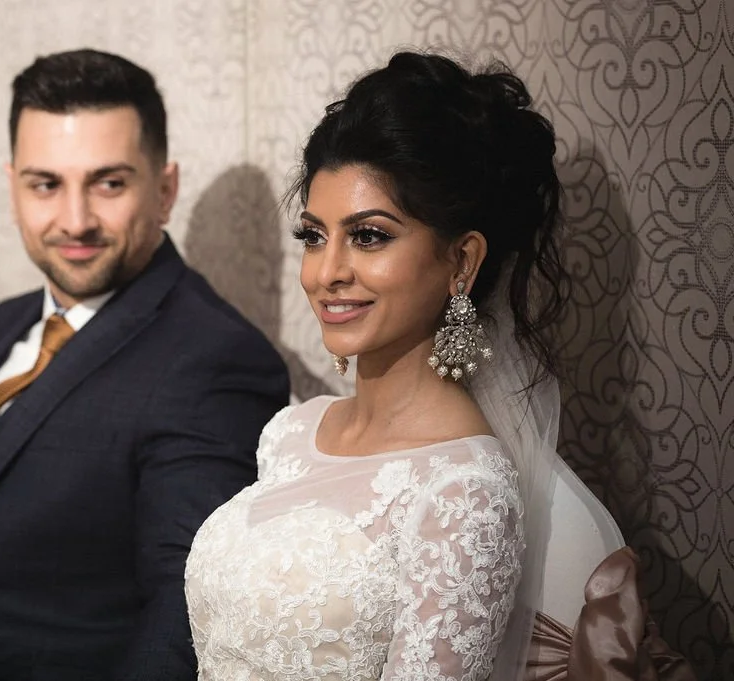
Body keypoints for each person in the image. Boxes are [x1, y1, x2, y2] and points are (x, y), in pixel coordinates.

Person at [184, 51, 697, 681]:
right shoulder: (290, 433)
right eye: (314, 236)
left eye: (369, 236)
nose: (326, 273)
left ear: (461, 262)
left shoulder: (465, 489)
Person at [0, 49, 290, 681]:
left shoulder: (213, 358)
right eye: (46, 184)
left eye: (109, 183)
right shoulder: (7, 321)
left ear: (165, 189)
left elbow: (185, 612)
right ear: (12, 187)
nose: (75, 220)